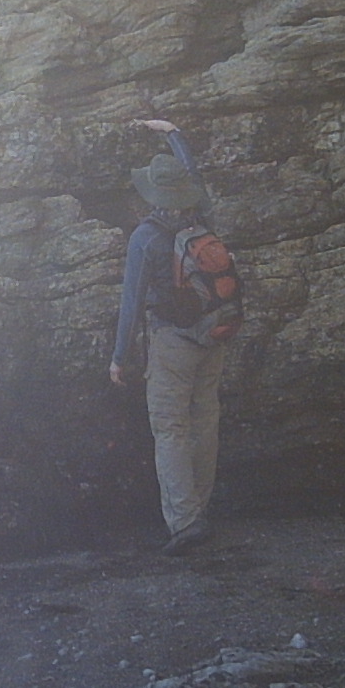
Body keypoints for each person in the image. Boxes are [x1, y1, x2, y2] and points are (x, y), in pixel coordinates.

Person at [110, 118, 228, 556]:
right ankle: (200, 507)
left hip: (172, 343)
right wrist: (174, 133)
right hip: (213, 334)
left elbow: (132, 302)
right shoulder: (203, 213)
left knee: (171, 427)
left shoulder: (146, 237)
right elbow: (193, 173)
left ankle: (185, 520)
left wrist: (119, 357)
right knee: (205, 420)